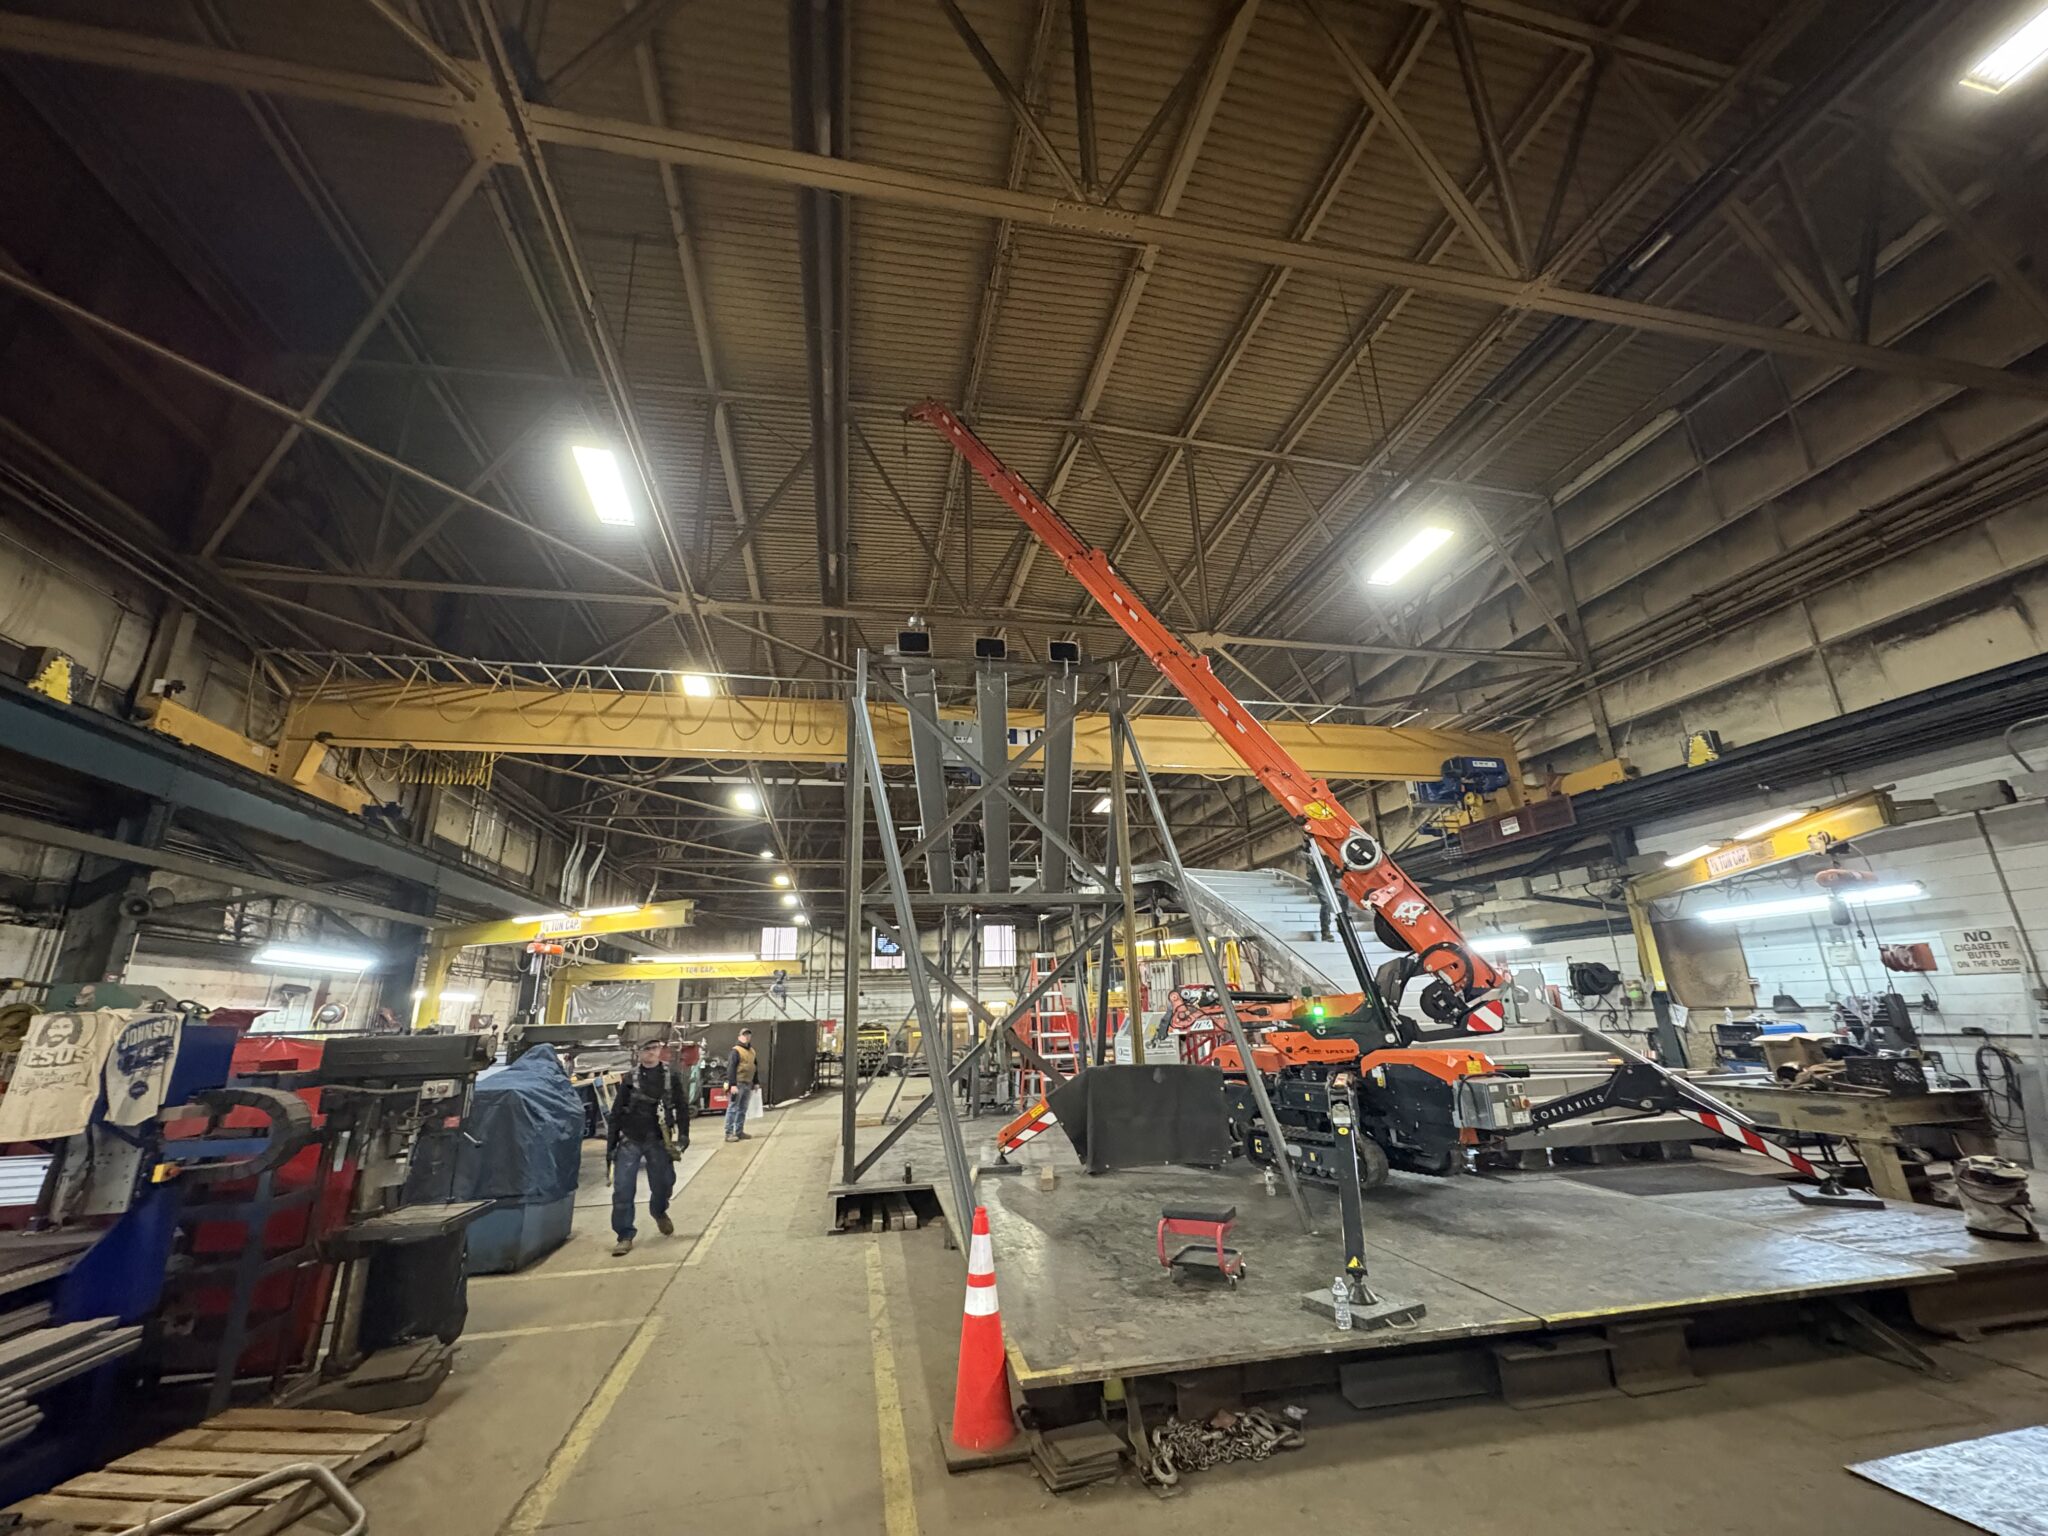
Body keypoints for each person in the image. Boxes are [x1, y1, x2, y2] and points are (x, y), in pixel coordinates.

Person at [606, 1039, 690, 1257]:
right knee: (623, 1190)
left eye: (654, 1048)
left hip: (659, 1140)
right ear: (639, 1053)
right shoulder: (629, 1079)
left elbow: (682, 1107)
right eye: (646, 1049)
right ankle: (624, 1235)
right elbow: (616, 1113)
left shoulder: (670, 1077)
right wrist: (611, 1146)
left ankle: (659, 1211)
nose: (650, 1053)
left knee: (664, 1183)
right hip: (630, 1139)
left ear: (660, 1050)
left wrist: (683, 1135)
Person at [724, 1027, 760, 1143]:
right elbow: (731, 1068)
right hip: (738, 1084)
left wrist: (756, 1082)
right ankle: (729, 1133)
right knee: (733, 1108)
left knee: (742, 1109)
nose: (746, 1037)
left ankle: (739, 1132)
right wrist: (732, 1084)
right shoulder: (736, 1051)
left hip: (748, 1083)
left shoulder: (752, 1051)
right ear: (739, 1037)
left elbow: (754, 1067)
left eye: (748, 1035)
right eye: (744, 1035)